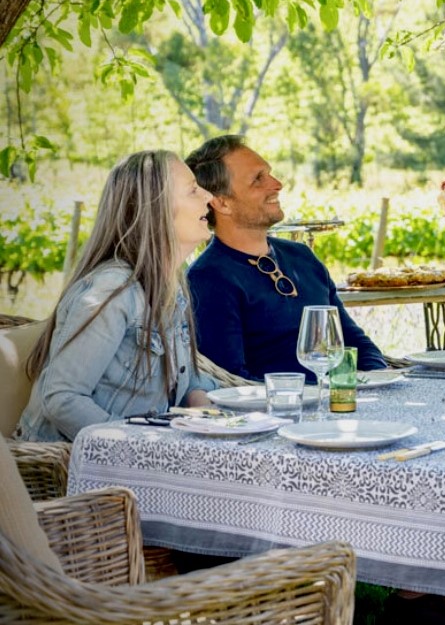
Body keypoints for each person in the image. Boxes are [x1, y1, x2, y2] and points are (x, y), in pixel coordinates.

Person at [16, 151, 218, 441]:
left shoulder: (170, 285)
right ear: (155, 209)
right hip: (69, 467)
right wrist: (136, 449)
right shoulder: (111, 291)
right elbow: (62, 399)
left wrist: (200, 400)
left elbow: (183, 373)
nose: (208, 196)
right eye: (193, 190)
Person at [184, 135, 387, 381]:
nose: (277, 184)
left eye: (269, 173)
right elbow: (230, 382)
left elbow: (356, 344)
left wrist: (375, 382)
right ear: (221, 203)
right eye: (258, 179)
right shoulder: (209, 278)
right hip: (278, 412)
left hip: (339, 403)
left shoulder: (301, 257)